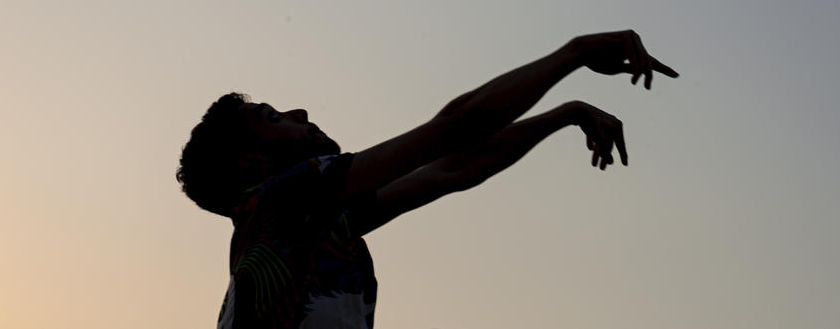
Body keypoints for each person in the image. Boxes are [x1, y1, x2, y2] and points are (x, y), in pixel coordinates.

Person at [176, 30, 678, 328]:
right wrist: (576, 52)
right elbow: (455, 130)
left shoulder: (297, 226)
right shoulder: (290, 194)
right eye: (272, 116)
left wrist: (564, 114)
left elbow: (453, 168)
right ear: (251, 164)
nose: (299, 110)